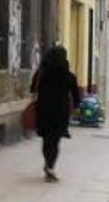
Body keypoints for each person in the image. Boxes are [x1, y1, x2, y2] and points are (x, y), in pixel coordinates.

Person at [30, 46, 81, 183]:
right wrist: (76, 107)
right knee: (55, 140)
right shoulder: (69, 76)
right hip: (61, 112)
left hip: (43, 110)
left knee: (46, 139)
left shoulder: (41, 73)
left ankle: (48, 162)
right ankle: (50, 166)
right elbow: (76, 96)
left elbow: (32, 88)